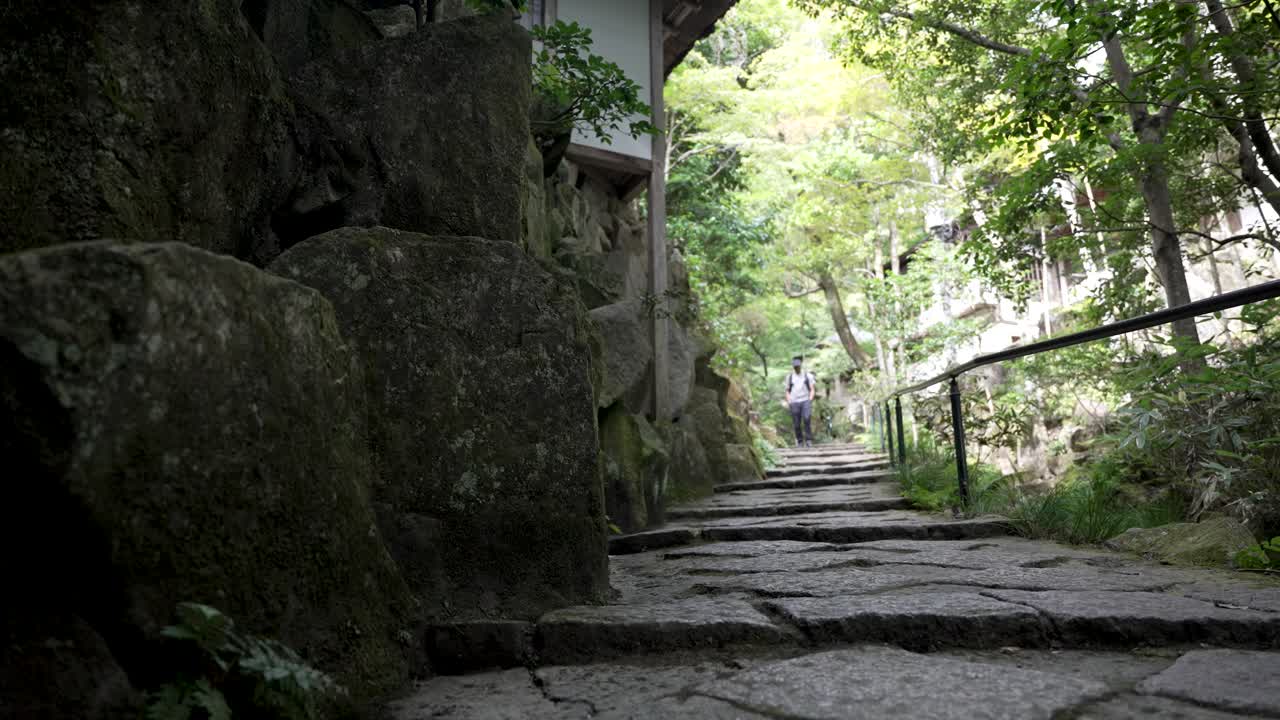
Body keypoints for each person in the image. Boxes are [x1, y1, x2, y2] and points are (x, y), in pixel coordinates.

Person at [784, 356, 816, 447]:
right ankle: (800, 441)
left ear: (800, 366)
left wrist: (810, 399)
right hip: (794, 401)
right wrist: (789, 401)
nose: (796, 368)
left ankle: (809, 440)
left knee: (807, 418)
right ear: (793, 367)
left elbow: (812, 389)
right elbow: (787, 390)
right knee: (796, 423)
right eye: (795, 366)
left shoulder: (808, 375)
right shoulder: (789, 377)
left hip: (805, 400)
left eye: (798, 366)